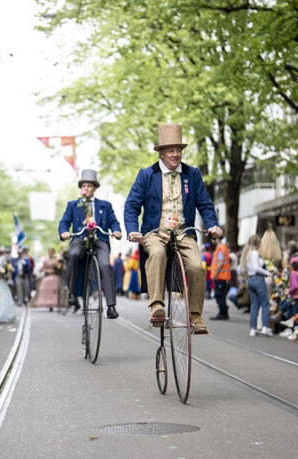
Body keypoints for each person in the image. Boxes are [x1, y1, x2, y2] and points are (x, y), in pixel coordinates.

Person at [123, 124, 222, 333]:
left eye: (179, 150)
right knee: (158, 253)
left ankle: (195, 316)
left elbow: (205, 204)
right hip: (155, 232)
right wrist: (132, 230)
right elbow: (131, 206)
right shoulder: (146, 175)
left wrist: (212, 225)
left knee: (196, 266)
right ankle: (156, 305)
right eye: (171, 150)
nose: (176, 154)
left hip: (184, 233)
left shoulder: (192, 174)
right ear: (161, 153)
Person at [59, 169, 123, 319]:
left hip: (100, 239)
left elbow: (113, 221)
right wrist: (64, 232)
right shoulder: (73, 205)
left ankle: (111, 306)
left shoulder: (105, 205)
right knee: (73, 254)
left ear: (94, 188)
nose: (86, 188)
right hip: (80, 238)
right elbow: (64, 222)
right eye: (83, 186)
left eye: (89, 185)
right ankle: (72, 293)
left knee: (105, 265)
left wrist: (116, 231)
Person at [242, 234, 273, 337]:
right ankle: (265, 327)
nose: (261, 244)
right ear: (256, 243)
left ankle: (253, 328)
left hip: (251, 280)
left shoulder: (247, 253)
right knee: (265, 304)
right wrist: (268, 273)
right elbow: (256, 268)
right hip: (258, 279)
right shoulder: (255, 253)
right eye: (260, 242)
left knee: (254, 305)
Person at [210, 238, 232, 321]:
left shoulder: (221, 249)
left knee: (219, 295)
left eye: (212, 237)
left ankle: (223, 312)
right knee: (221, 295)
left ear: (217, 239)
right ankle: (224, 312)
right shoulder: (221, 248)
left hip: (220, 276)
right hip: (221, 276)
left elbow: (220, 262)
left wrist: (216, 275)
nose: (211, 239)